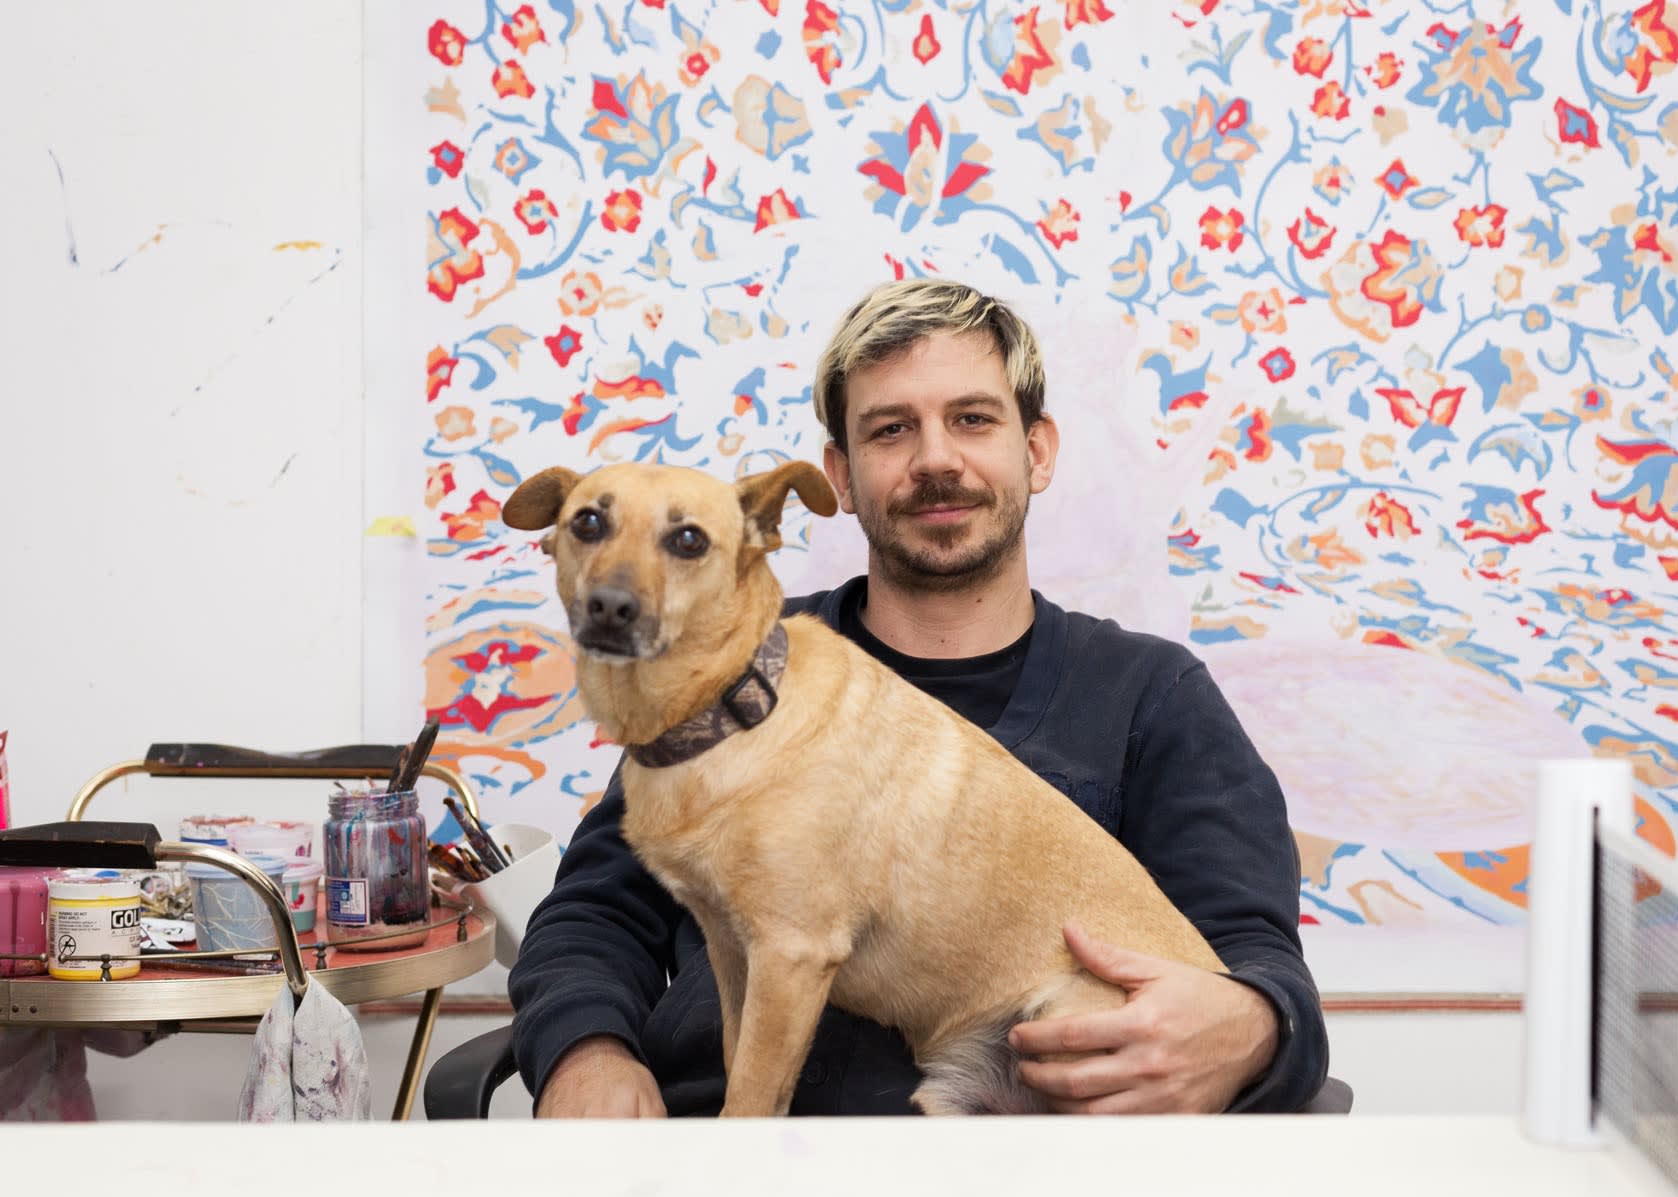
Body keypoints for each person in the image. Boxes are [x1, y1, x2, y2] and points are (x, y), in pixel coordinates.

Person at [509, 279, 1328, 1117]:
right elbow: (593, 920)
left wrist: (1254, 1027)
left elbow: (1253, 959)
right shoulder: (717, 670)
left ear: (1037, 452)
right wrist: (587, 1052)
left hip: (1037, 1157)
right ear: (843, 476)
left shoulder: (1153, 694)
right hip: (722, 1127)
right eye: (892, 429)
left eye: (973, 419)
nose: (936, 458)